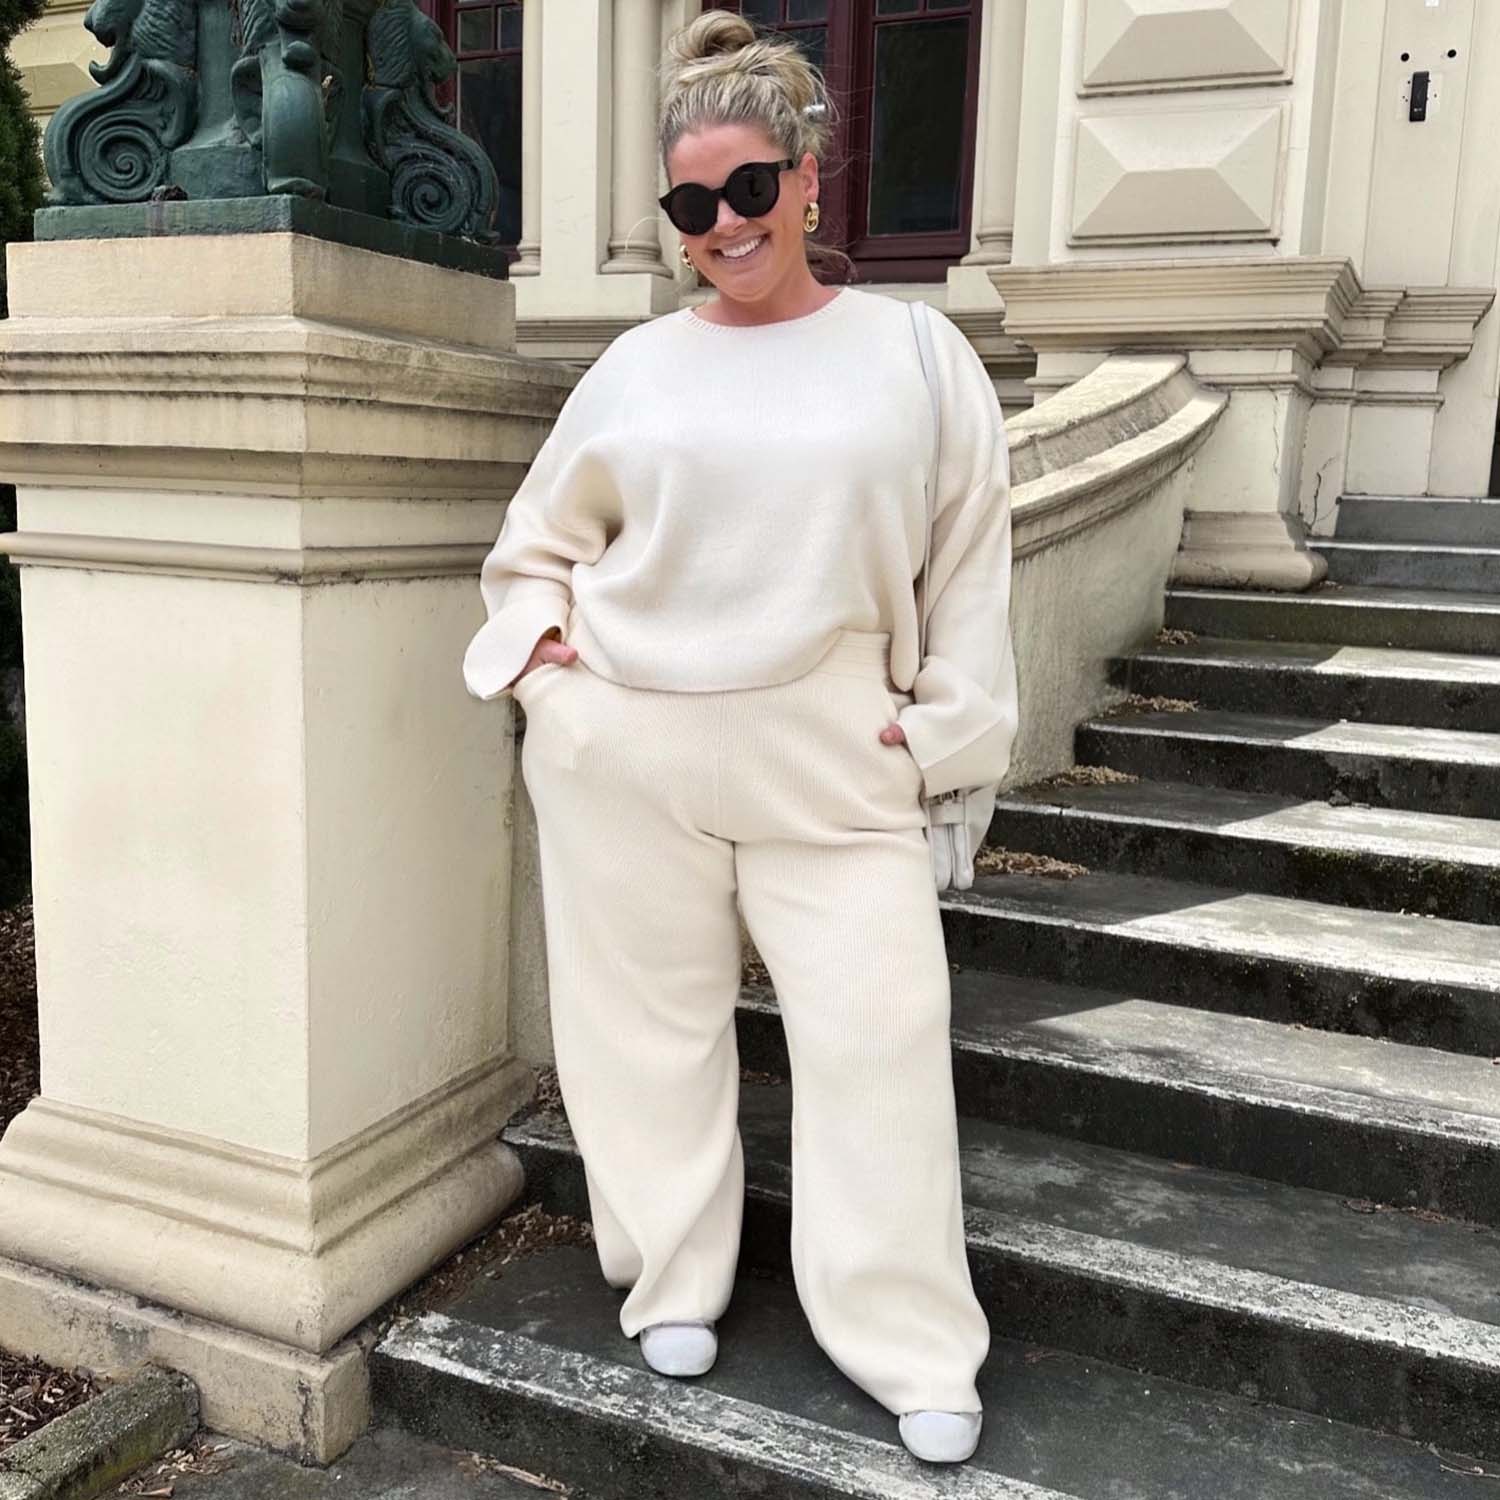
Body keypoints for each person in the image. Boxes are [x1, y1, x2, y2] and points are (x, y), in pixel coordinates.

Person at [461, 9, 1016, 1468]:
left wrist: (941, 745)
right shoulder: (637, 368)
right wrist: (552, 681)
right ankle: (670, 1273)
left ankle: (906, 1335)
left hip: (835, 760)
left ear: (811, 177)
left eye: (750, 188)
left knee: (883, 1042)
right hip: (625, 755)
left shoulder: (916, 353)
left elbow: (970, 572)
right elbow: (534, 548)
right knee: (640, 1036)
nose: (724, 225)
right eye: (692, 205)